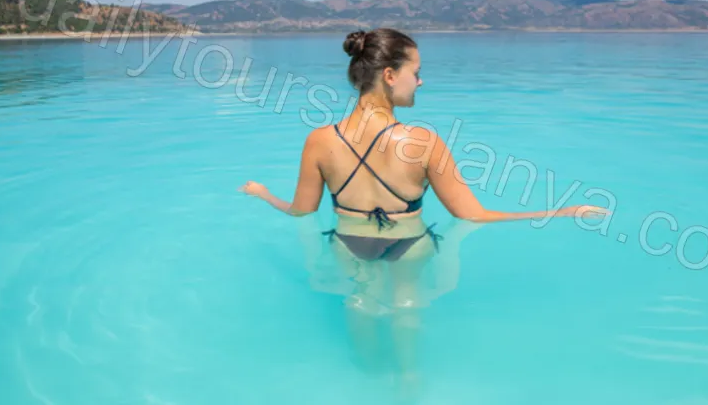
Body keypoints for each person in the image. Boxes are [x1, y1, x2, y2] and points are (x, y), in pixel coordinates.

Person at [239, 27, 611, 398]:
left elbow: (301, 212)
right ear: (389, 75)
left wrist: (264, 195)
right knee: (407, 302)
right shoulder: (423, 142)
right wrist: (561, 211)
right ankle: (410, 381)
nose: (420, 80)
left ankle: (366, 380)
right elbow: (473, 216)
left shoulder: (319, 140)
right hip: (408, 242)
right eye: (415, 72)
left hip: (348, 241)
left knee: (360, 299)